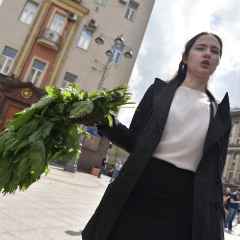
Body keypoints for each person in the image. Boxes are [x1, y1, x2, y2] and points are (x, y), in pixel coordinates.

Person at [82, 32, 232, 240]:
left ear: (217, 62)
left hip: (185, 203)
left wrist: (215, 217)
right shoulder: (158, 92)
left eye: (215, 51)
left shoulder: (219, 113)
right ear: (186, 57)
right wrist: (104, 120)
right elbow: (135, 142)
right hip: (139, 188)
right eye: (201, 48)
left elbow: (214, 171)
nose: (208, 53)